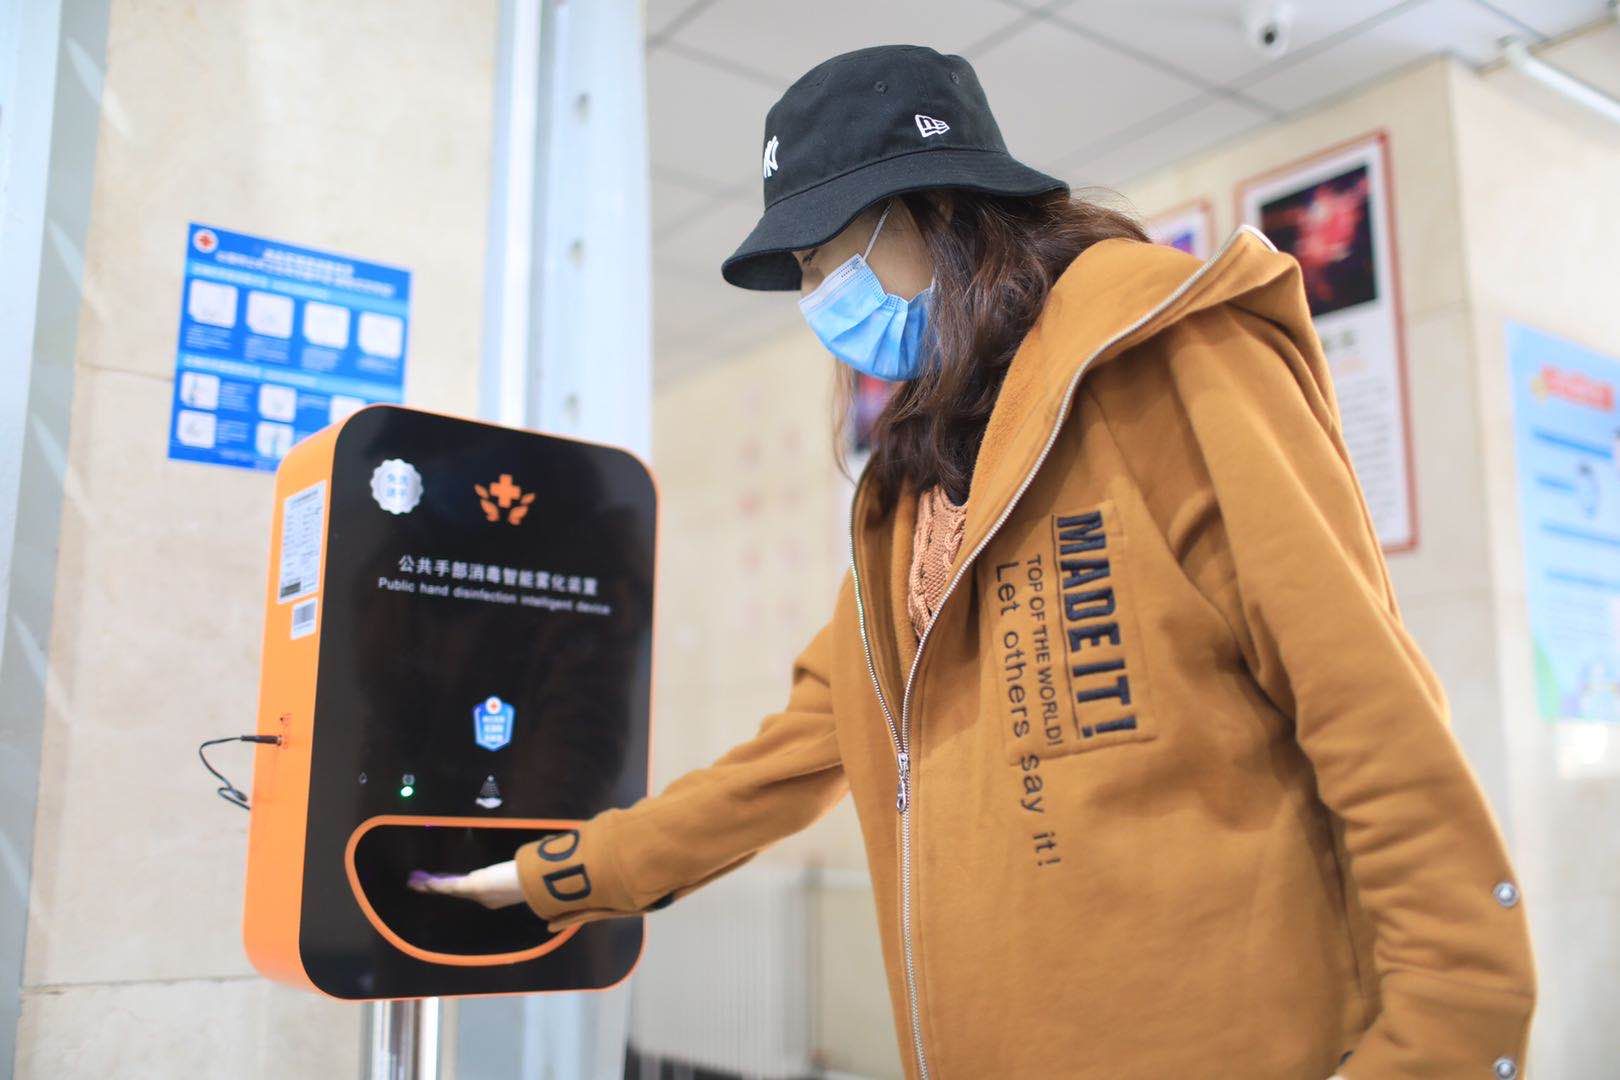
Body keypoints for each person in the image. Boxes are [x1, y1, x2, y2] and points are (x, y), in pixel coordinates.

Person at [412, 44, 1536, 1078]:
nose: (815, 299)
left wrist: (1451, 1030)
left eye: (823, 256)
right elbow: (787, 758)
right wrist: (555, 875)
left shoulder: (1167, 353)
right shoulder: (916, 484)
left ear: (938, 207)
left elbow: (1360, 694)